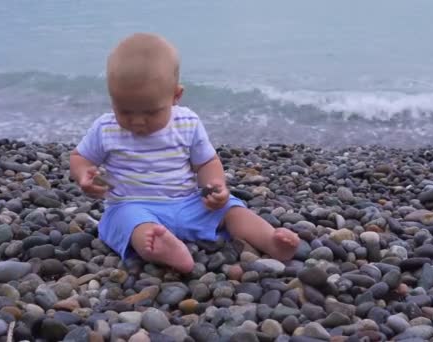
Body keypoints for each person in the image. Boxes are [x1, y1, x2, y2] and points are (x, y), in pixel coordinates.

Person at [70, 33, 299, 273]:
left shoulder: (187, 123)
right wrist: (84, 174)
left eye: (150, 112)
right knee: (130, 223)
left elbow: (206, 162)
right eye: (125, 111)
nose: (137, 122)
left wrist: (215, 186)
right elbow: (80, 157)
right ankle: (165, 250)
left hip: (189, 203)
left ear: (175, 96)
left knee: (232, 210)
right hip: (132, 204)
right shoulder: (105, 128)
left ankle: (271, 240)